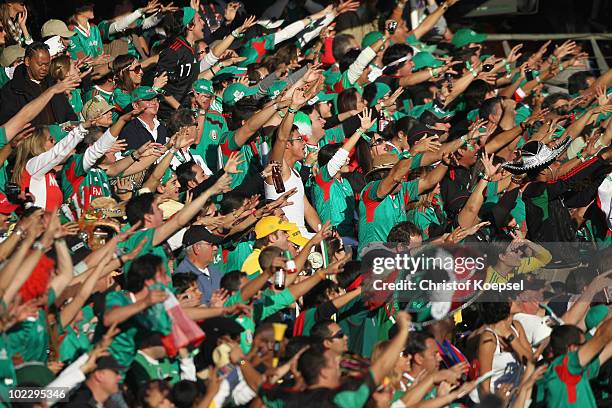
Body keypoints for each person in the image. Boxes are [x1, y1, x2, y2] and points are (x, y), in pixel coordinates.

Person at [0, 42, 78, 126]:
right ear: (27, 61)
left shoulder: (53, 83)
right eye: (40, 64)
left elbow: (68, 114)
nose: (44, 68)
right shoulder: (11, 91)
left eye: (47, 64)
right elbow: (7, 127)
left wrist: (73, 127)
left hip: (62, 136)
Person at [174, 225, 224, 305]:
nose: (215, 248)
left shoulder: (215, 272)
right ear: (197, 248)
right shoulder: (182, 277)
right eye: (211, 244)